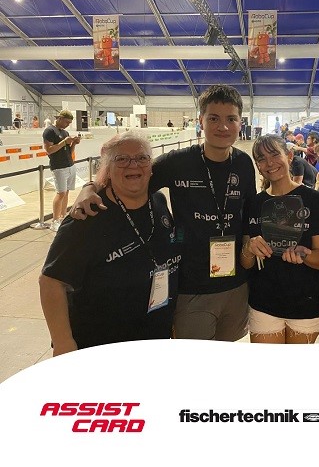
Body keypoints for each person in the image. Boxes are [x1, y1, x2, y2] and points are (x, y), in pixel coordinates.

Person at [70, 84, 256, 341]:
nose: (222, 126)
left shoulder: (244, 163)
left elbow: (250, 212)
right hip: (192, 288)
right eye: (213, 118)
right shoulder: (178, 162)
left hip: (236, 285)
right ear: (201, 121)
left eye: (231, 119)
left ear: (240, 122)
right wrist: (90, 187)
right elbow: (132, 177)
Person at [39, 131, 180, 356]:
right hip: (100, 346)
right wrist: (63, 341)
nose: (133, 165)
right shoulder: (87, 216)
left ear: (151, 166)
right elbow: (51, 282)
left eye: (141, 158)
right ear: (108, 169)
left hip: (154, 338)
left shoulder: (158, 201)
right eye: (121, 159)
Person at [241, 135, 319, 344]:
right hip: (263, 303)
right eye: (261, 159)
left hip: (306, 302)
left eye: (274, 155)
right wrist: (249, 248)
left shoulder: (314, 200)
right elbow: (246, 263)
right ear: (258, 166)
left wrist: (305, 256)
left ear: (289, 156)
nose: (269, 163)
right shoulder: (254, 203)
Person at [42, 110, 81, 232]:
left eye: (69, 123)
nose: (68, 124)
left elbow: (69, 151)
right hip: (58, 167)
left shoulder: (65, 132)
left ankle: (63, 217)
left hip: (69, 165)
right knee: (61, 193)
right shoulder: (49, 131)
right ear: (60, 118)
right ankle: (55, 220)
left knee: (66, 192)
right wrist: (64, 142)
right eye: (66, 122)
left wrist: (74, 143)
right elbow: (49, 150)